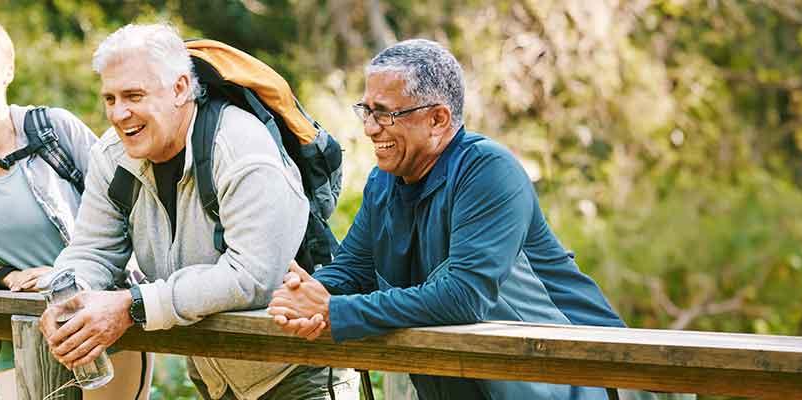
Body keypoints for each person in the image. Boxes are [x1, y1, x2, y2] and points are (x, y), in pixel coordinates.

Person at [267, 39, 627, 399]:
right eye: (367, 110)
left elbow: (463, 296)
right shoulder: (384, 181)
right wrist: (304, 294)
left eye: (385, 114)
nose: (370, 128)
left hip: (580, 382)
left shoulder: (488, 171)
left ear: (437, 119)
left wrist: (335, 310)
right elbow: (354, 270)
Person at [38, 23, 358, 400]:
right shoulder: (113, 155)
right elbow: (92, 248)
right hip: (214, 373)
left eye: (134, 95)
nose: (119, 113)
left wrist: (132, 305)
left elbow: (252, 277)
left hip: (298, 370)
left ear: (180, 89)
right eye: (110, 99)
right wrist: (69, 292)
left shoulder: (241, 148)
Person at [0, 17, 150, 399]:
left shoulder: (54, 128)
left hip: (97, 324)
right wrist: (0, 276)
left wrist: (64, 274)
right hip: (14, 342)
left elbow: (129, 208)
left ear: (9, 70)